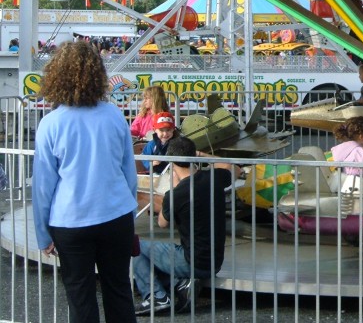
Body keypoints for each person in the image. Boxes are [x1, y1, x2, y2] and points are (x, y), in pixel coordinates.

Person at [32, 41, 138, 323]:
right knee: (119, 292)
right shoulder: (115, 115)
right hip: (115, 216)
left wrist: (43, 234)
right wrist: (129, 216)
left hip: (70, 222)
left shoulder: (51, 124)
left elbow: (43, 187)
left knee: (80, 300)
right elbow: (129, 174)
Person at [133, 136, 238, 315]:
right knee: (161, 254)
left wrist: (172, 192)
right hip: (214, 262)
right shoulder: (214, 178)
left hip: (192, 260)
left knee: (135, 247)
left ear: (172, 161)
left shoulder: (177, 194)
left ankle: (155, 296)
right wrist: (201, 155)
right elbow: (235, 168)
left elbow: (162, 223)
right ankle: (180, 283)